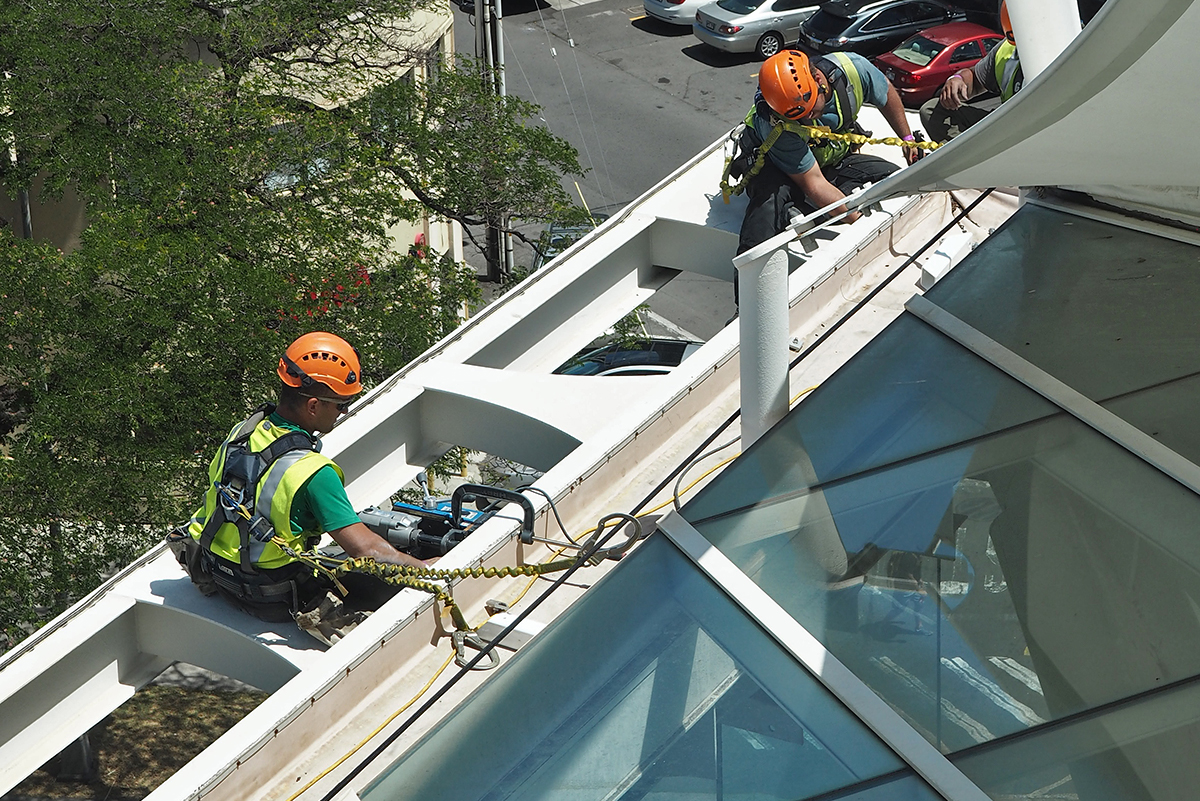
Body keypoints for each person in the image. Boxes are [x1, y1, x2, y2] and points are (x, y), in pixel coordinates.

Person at [173, 331, 430, 643]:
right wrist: (423, 566)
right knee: (391, 610)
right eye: (341, 405)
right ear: (312, 406)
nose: (344, 412)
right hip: (270, 600)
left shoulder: (241, 434)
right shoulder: (314, 473)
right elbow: (367, 550)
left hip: (216, 576)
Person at [730, 48, 921, 261]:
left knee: (893, 178)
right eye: (801, 114)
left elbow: (885, 93)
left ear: (819, 79)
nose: (808, 117)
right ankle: (748, 279)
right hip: (776, 166)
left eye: (809, 108)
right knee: (767, 208)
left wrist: (907, 139)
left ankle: (805, 205)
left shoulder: (853, 69)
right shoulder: (776, 123)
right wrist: (862, 225)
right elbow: (814, 183)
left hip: (827, 156)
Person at [919, 1, 1022, 142]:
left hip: (1034, 131)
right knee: (931, 110)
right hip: (1004, 126)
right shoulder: (1006, 51)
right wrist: (957, 79)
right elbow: (975, 78)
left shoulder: (1058, 53)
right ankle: (969, 158)